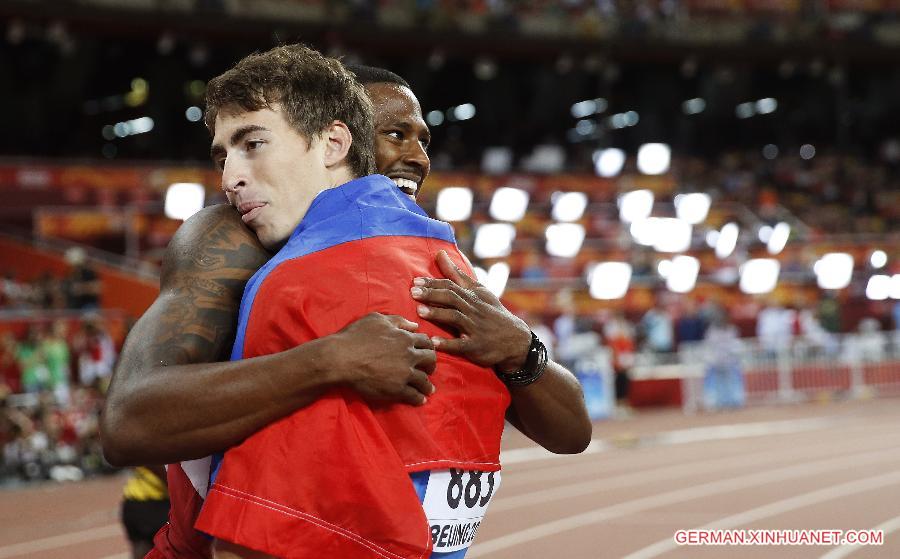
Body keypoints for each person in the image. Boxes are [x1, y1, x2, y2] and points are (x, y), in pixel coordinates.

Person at [101, 53, 590, 559]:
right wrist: (329, 360)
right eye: (394, 134)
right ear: (337, 140)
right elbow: (128, 422)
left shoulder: (430, 258)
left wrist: (522, 351)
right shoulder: (230, 238)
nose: (417, 157)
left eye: (423, 139)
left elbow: (571, 432)